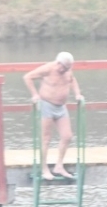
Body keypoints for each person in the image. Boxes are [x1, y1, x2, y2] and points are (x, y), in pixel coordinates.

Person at [24, 51, 84, 180]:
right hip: (46, 105)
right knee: (46, 138)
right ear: (58, 63)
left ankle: (59, 166)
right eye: (63, 68)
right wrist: (35, 94)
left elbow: (72, 80)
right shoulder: (48, 68)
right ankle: (44, 168)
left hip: (61, 107)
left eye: (67, 68)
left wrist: (77, 94)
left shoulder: (68, 70)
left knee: (67, 136)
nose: (64, 70)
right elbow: (27, 77)